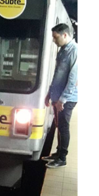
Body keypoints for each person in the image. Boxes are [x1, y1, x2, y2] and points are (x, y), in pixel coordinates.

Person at [42, 23, 79, 169]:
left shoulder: (74, 51)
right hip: (58, 96)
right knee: (59, 126)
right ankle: (57, 153)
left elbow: (73, 78)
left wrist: (62, 100)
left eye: (56, 37)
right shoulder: (63, 50)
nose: (54, 40)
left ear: (65, 35)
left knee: (63, 127)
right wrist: (49, 94)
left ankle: (62, 158)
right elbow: (57, 75)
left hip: (66, 99)